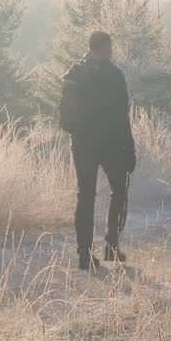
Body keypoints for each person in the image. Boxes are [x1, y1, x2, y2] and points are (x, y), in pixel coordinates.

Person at [63, 31, 136, 271]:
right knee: (119, 189)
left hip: (81, 144)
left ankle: (84, 255)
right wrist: (129, 148)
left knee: (85, 196)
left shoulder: (74, 74)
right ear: (104, 48)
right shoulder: (114, 75)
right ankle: (111, 246)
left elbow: (65, 119)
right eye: (110, 47)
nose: (112, 51)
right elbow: (122, 115)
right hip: (109, 145)